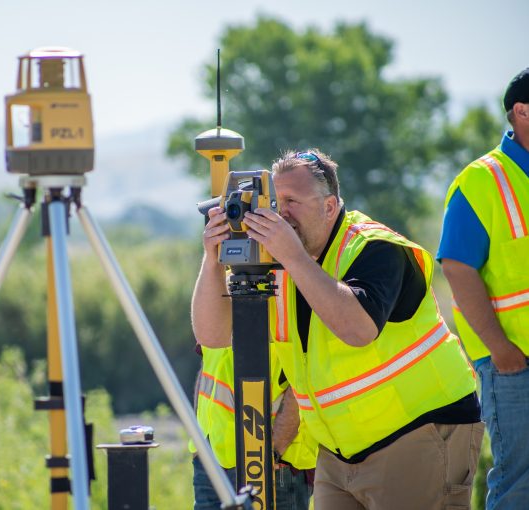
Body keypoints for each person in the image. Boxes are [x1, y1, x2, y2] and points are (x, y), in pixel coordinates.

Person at [192, 148, 483, 509]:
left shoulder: (376, 247)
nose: (281, 214)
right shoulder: (278, 262)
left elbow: (357, 329)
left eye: (292, 201)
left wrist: (293, 256)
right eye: (274, 200)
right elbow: (214, 336)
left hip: (418, 432)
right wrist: (212, 259)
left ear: (330, 207)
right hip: (339, 450)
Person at [438, 67, 529, 510]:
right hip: (515, 365)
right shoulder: (482, 180)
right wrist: (501, 350)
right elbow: (456, 267)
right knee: (519, 484)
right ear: (522, 112)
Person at [189, 343, 316, 510]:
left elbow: (307, 374)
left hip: (274, 465)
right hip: (210, 459)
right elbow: (207, 364)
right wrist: (199, 438)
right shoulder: (214, 319)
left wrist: (272, 453)